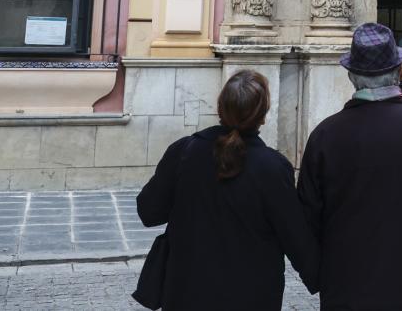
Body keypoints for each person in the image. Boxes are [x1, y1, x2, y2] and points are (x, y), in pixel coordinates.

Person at [299, 23, 402, 311]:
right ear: (398, 71)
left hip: (345, 280)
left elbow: (307, 213)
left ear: (352, 76)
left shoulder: (325, 135)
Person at [135, 70, 318, 311]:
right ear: (263, 115)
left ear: (220, 106)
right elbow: (295, 237)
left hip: (187, 292)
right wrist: (320, 280)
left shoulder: (183, 152)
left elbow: (149, 212)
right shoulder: (273, 167)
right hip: (251, 296)